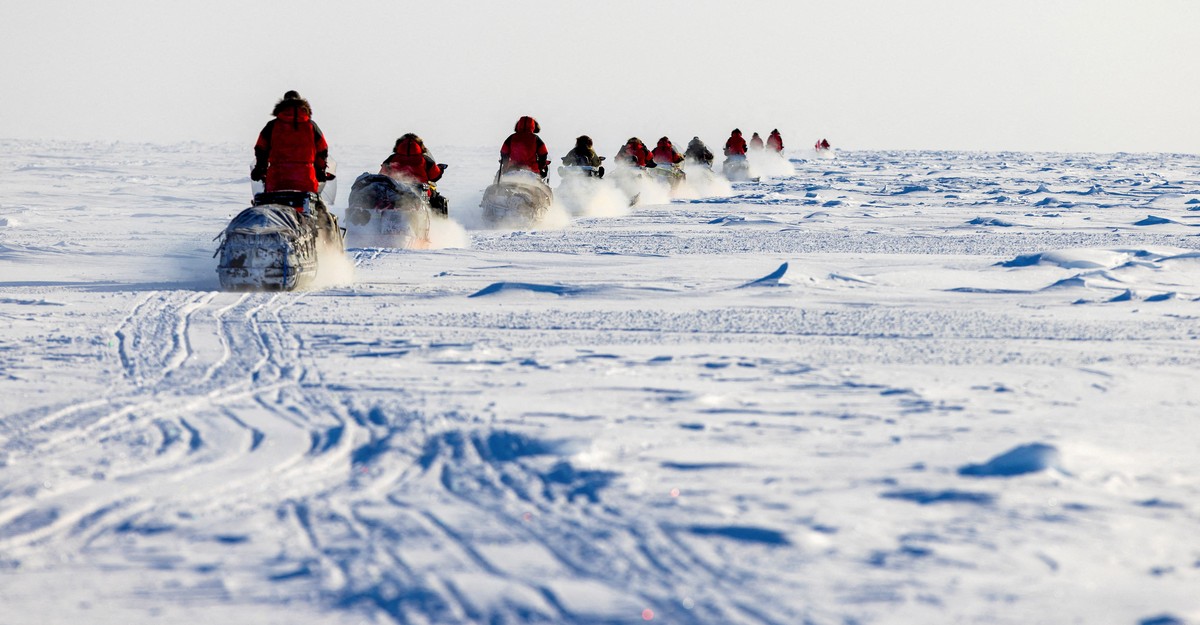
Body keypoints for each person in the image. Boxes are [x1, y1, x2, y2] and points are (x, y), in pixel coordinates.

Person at [251, 90, 333, 195]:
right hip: (306, 180)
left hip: (277, 180)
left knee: (270, 206)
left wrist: (260, 169)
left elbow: (260, 148)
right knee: (313, 208)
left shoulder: (272, 126)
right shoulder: (311, 126)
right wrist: (320, 171)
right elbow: (322, 150)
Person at [380, 133, 448, 215]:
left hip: (395, 193)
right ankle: (438, 222)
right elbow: (435, 176)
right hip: (420, 193)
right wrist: (440, 169)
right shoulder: (425, 159)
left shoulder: (391, 159)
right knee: (437, 199)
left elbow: (382, 176)